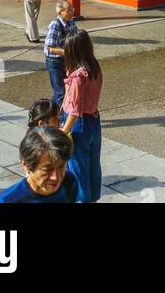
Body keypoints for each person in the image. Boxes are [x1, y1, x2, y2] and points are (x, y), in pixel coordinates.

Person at [60, 29, 103, 204]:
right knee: (93, 164)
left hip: (78, 125)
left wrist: (63, 132)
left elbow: (75, 110)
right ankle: (93, 199)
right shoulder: (95, 69)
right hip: (94, 120)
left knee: (78, 168)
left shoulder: (78, 76)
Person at [0, 125, 79, 203]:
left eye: (61, 166)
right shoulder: (6, 200)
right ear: (26, 165)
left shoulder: (69, 182)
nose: (56, 177)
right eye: (47, 169)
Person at [43, 0, 78, 105]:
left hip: (67, 60)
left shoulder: (72, 23)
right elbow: (51, 48)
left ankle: (51, 113)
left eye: (72, 9)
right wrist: (70, 53)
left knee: (68, 90)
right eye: (69, 10)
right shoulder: (55, 25)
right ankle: (60, 119)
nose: (72, 11)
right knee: (60, 92)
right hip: (54, 61)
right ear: (60, 12)